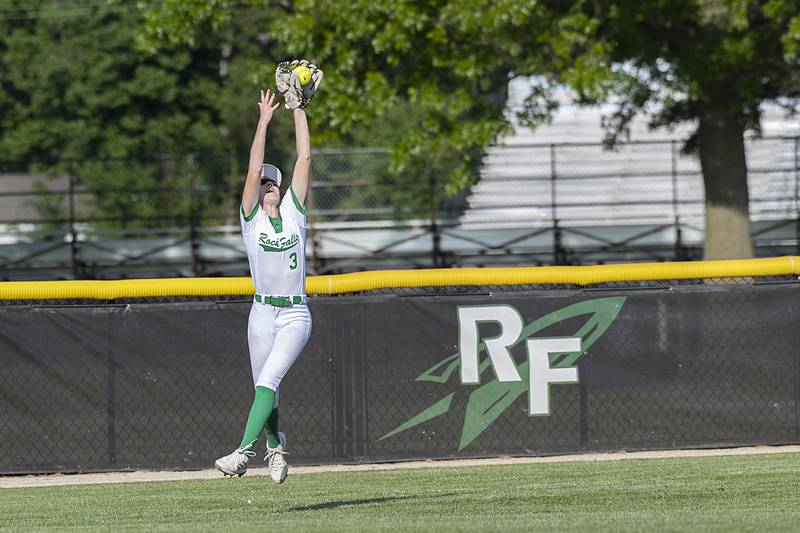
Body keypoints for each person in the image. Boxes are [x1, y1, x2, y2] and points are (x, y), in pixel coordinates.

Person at [214, 81, 317, 483]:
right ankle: (275, 448)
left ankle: (243, 453)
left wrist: (297, 107)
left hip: (294, 313)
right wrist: (263, 120)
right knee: (264, 387)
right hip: (261, 312)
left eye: (273, 182)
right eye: (264, 184)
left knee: (268, 381)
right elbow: (253, 167)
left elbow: (305, 156)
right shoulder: (251, 220)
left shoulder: (294, 213)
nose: (269, 185)